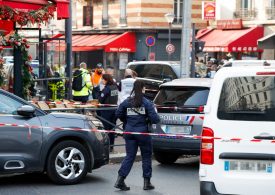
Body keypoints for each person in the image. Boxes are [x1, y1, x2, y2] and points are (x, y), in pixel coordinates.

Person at [114, 80, 160, 191]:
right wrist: (147, 119)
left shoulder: (127, 101)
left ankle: (120, 180)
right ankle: (146, 183)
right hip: (143, 133)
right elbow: (155, 119)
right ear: (143, 89)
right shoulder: (147, 103)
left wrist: (127, 122)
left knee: (129, 156)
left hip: (129, 132)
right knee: (146, 157)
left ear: (133, 89)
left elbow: (118, 113)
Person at [98, 74, 119, 152]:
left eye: (103, 79)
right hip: (114, 110)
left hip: (106, 111)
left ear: (106, 80)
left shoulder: (106, 89)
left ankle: (106, 146)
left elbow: (101, 100)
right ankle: (111, 146)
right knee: (112, 129)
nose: (102, 81)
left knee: (106, 129)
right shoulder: (115, 87)